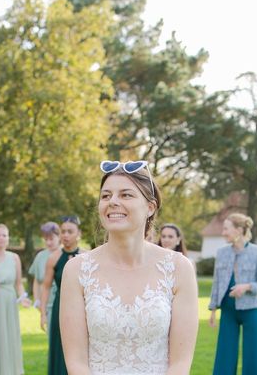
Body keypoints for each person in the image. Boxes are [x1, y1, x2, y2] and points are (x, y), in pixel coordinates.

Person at [60, 160, 198, 375]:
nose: (113, 201)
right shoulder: (77, 269)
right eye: (106, 196)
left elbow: (180, 364)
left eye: (125, 195)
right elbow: (76, 362)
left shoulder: (179, 268)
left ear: (150, 207)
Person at [208, 213, 257, 375]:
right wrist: (213, 309)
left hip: (251, 310)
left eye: (226, 229)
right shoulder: (222, 253)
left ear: (239, 230)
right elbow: (217, 283)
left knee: (255, 355)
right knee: (225, 355)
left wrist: (247, 286)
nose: (223, 233)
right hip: (228, 312)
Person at [40, 215, 84, 375]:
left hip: (82, 309)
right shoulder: (54, 258)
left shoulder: (86, 257)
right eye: (63, 231)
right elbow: (45, 286)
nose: (65, 235)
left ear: (78, 233)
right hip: (61, 308)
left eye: (69, 231)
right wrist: (43, 313)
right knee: (60, 348)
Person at [0, 224, 31, 375]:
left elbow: (18, 284)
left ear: (8, 238)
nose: (1, 238)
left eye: (4, 235)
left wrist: (23, 297)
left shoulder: (14, 258)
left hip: (9, 302)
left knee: (8, 337)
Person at [27, 221, 61, 333]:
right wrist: (37, 300)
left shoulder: (64, 254)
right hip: (47, 306)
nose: (48, 242)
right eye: (46, 239)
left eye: (51, 239)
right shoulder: (40, 256)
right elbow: (37, 281)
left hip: (62, 305)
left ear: (59, 236)